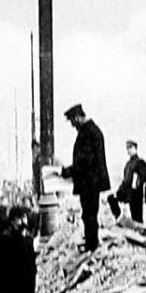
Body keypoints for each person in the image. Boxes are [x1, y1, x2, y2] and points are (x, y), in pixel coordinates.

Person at [60, 104, 110, 252]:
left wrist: (69, 171)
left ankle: (91, 245)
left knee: (89, 214)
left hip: (90, 183)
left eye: (72, 121)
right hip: (90, 182)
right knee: (88, 214)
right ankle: (90, 242)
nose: (72, 125)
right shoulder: (90, 131)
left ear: (77, 118)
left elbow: (85, 162)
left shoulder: (89, 133)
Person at [110, 140, 146, 223]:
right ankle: (118, 217)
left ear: (136, 149)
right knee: (111, 198)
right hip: (126, 191)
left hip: (135, 193)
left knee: (136, 216)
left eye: (130, 148)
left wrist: (137, 181)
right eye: (127, 148)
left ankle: (140, 231)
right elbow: (125, 180)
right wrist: (118, 191)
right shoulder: (128, 164)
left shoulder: (140, 162)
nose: (129, 150)